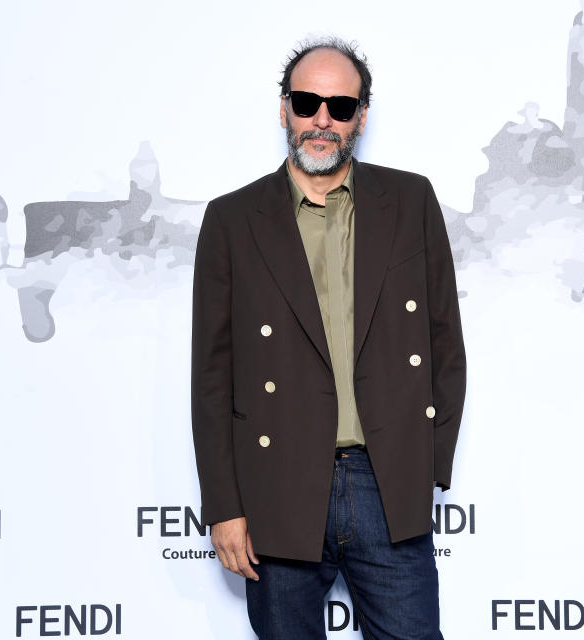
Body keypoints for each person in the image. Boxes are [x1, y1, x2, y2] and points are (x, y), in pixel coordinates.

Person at [191, 37, 466, 639]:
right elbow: (211, 378)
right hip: (275, 485)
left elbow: (446, 342)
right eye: (308, 101)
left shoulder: (411, 199)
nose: (323, 119)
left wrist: (427, 466)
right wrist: (224, 506)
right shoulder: (232, 219)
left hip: (386, 482)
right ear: (284, 107)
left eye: (341, 107)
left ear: (362, 116)